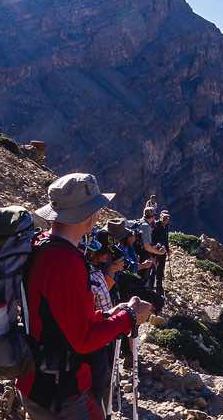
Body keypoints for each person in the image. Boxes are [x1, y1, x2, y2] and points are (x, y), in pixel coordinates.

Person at [17, 173, 152, 420]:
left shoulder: (41, 244)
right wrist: (130, 316)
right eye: (97, 208)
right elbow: (84, 339)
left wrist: (113, 313)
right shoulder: (65, 261)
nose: (99, 215)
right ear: (87, 215)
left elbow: (63, 318)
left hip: (36, 377)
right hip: (61, 391)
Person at [83, 230, 125, 410]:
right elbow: (106, 308)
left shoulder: (81, 271)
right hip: (99, 336)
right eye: (106, 252)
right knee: (100, 381)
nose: (109, 255)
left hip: (81, 338)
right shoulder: (96, 276)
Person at [135, 207, 167, 290]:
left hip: (135, 254)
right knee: (144, 278)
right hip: (142, 256)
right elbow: (147, 246)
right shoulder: (146, 227)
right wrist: (159, 252)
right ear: (152, 217)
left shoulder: (138, 222)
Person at [151, 210, 172, 292]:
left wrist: (167, 249)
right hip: (156, 250)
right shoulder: (156, 225)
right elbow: (152, 239)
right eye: (164, 218)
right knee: (154, 267)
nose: (166, 220)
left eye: (167, 218)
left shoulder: (166, 226)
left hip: (163, 250)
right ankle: (152, 285)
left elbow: (165, 238)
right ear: (160, 217)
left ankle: (159, 286)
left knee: (161, 268)